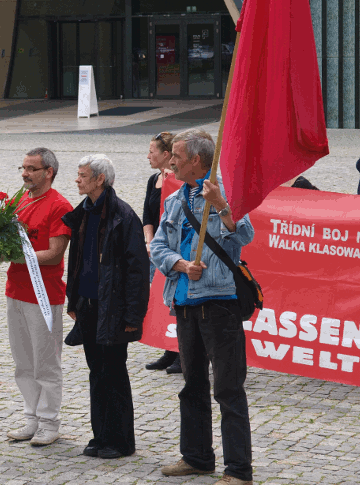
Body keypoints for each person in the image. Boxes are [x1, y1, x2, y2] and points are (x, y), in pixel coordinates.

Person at [150, 129, 255, 485]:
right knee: (191, 385)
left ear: (196, 160)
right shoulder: (175, 199)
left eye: (177, 155)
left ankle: (238, 470)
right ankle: (196, 457)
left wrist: (223, 205)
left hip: (219, 305)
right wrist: (180, 265)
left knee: (227, 389)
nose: (171, 160)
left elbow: (244, 236)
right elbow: (159, 247)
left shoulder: (223, 192)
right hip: (184, 304)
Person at [62, 154, 150, 459]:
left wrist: (133, 315)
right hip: (87, 306)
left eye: (82, 175)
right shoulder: (83, 212)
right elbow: (76, 261)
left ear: (100, 179)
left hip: (112, 308)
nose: (77, 179)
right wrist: (73, 299)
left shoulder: (123, 216)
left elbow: (138, 271)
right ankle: (100, 436)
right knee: (95, 372)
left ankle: (121, 441)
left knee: (114, 373)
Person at [0, 147, 72, 447]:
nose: (24, 173)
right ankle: (31, 417)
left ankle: (49, 421)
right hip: (15, 290)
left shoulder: (59, 206)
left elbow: (54, 254)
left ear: (48, 172)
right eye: (22, 168)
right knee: (23, 361)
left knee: (46, 362)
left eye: (31, 169)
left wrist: (13, 254)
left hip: (44, 295)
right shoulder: (19, 200)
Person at [142, 131, 181, 374]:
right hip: (155, 248)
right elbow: (147, 215)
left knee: (176, 301)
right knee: (160, 300)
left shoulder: (180, 180)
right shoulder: (152, 180)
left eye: (151, 151)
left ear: (166, 154)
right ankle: (168, 350)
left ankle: (183, 353)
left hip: (173, 250)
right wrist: (149, 241)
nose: (147, 156)